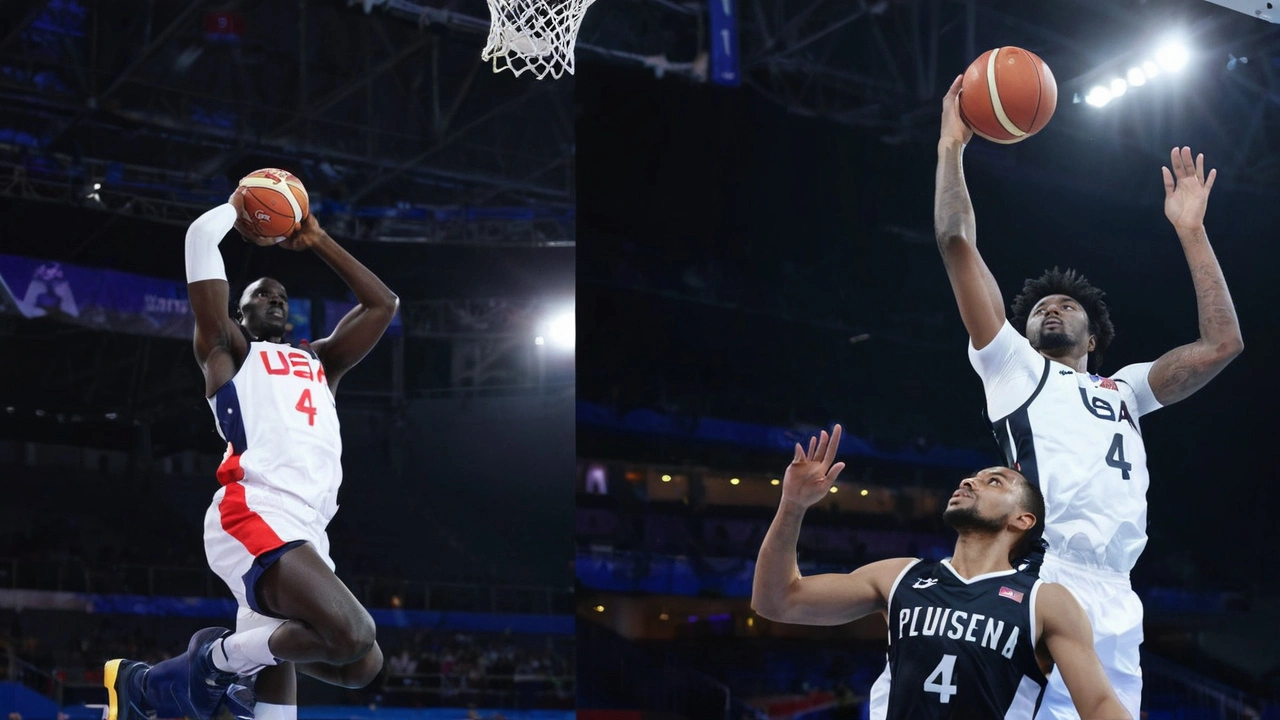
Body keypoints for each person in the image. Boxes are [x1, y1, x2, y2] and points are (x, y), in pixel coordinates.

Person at [933, 74, 1243, 719]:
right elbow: (956, 243)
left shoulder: (1126, 388)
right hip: (1038, 573)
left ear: (1094, 335)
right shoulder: (1012, 366)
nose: (1051, 308)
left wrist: (1191, 231)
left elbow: (1222, 344)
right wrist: (951, 147)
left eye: (1065, 304)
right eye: (1039, 306)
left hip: (1117, 594)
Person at [105, 202, 400, 720]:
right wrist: (238, 206)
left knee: (360, 665)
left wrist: (318, 240)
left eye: (282, 295)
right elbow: (200, 237)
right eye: (261, 294)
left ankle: (148, 688)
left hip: (308, 527)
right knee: (353, 631)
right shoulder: (230, 350)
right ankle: (214, 660)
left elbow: (383, 304)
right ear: (239, 314)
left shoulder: (319, 361)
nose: (275, 299)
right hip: (253, 508)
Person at [751, 425, 1131, 720]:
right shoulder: (900, 577)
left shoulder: (1044, 601)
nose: (969, 481)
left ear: (1022, 519)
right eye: (972, 477)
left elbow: (1099, 705)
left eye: (993, 480)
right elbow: (776, 601)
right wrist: (792, 505)